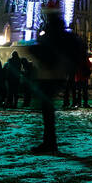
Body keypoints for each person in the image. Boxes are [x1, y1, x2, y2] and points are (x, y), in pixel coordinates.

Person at [29, 18, 81, 155]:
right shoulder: (65, 38)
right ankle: (49, 142)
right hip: (56, 76)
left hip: (48, 76)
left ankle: (49, 143)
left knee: (47, 111)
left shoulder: (52, 38)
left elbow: (37, 51)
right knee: (48, 111)